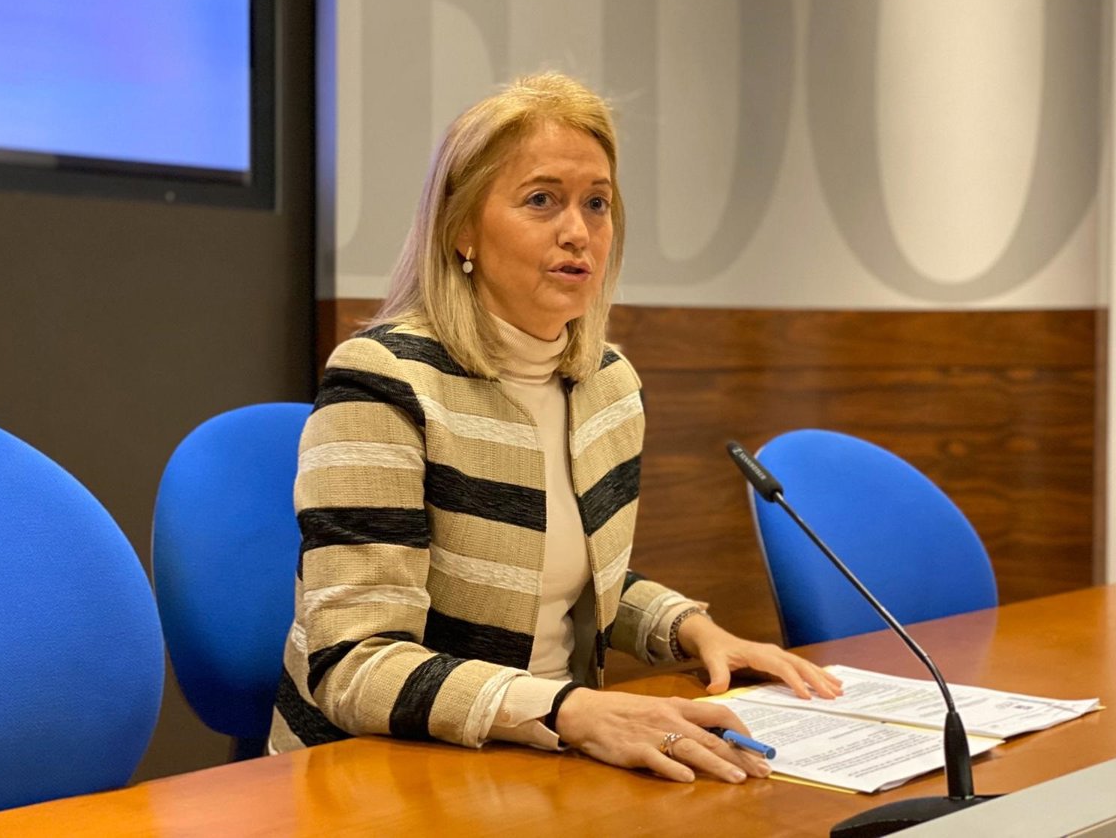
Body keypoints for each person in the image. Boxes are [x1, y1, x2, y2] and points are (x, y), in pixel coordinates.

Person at [269, 72, 841, 784]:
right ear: (461, 228)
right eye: (541, 200)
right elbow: (354, 665)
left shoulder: (607, 385)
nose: (578, 231)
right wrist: (569, 709)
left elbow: (564, 579)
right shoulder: (384, 380)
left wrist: (690, 628)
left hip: (543, 755)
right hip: (383, 771)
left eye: (596, 203)